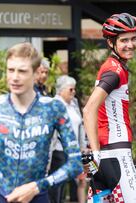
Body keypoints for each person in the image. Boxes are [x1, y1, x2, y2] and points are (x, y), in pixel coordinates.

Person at [0, 42, 82, 203]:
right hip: (1, 194)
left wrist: (38, 186)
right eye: (11, 70)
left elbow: (75, 163)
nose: (15, 77)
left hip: (38, 195)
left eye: (22, 71)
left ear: (36, 73)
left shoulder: (53, 108)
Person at [83, 13, 136, 203]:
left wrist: (96, 155)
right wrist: (95, 153)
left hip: (107, 153)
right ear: (111, 43)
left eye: (133, 39)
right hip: (116, 153)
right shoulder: (115, 71)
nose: (130, 44)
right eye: (124, 40)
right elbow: (89, 109)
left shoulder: (112, 66)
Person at [48, 75, 88, 203]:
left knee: (66, 185)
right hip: (58, 150)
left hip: (72, 151)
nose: (74, 92)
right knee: (56, 185)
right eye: (71, 89)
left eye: (74, 89)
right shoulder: (54, 104)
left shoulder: (73, 104)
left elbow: (80, 126)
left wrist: (83, 146)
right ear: (61, 90)